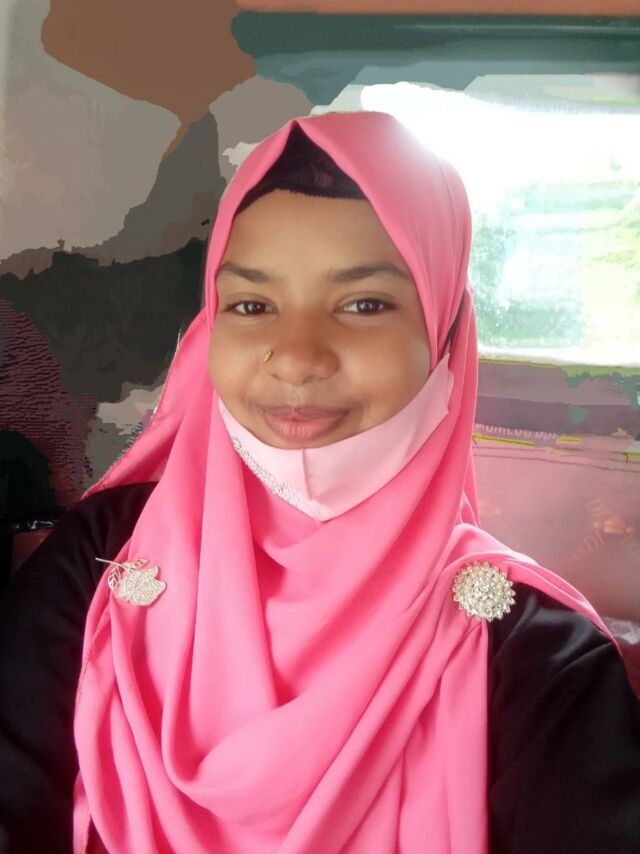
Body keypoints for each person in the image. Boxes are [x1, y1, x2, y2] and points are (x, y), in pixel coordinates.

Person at [1, 110, 639, 854]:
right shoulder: (101, 558)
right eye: (252, 305)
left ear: (443, 335)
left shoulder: (534, 653)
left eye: (364, 305)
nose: (298, 357)